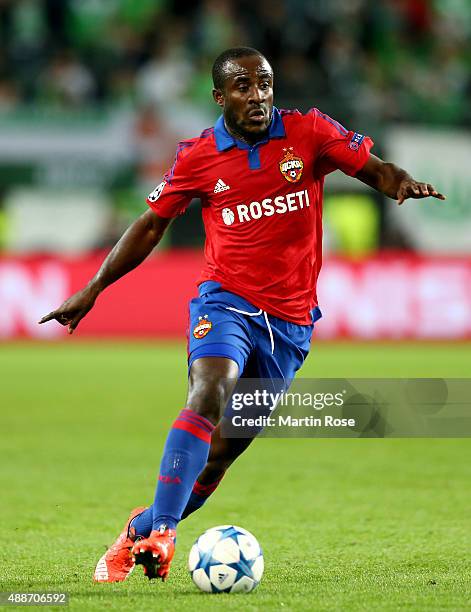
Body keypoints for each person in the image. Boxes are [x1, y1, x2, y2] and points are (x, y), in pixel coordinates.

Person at [39, 47, 445, 583]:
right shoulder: (199, 156)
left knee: (218, 458)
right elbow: (151, 225)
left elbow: (375, 169)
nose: (257, 97)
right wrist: (94, 288)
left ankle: (140, 529)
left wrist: (401, 184)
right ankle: (164, 532)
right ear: (219, 96)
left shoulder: (310, 131)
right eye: (243, 87)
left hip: (290, 324)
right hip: (225, 301)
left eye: (265, 84)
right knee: (208, 391)